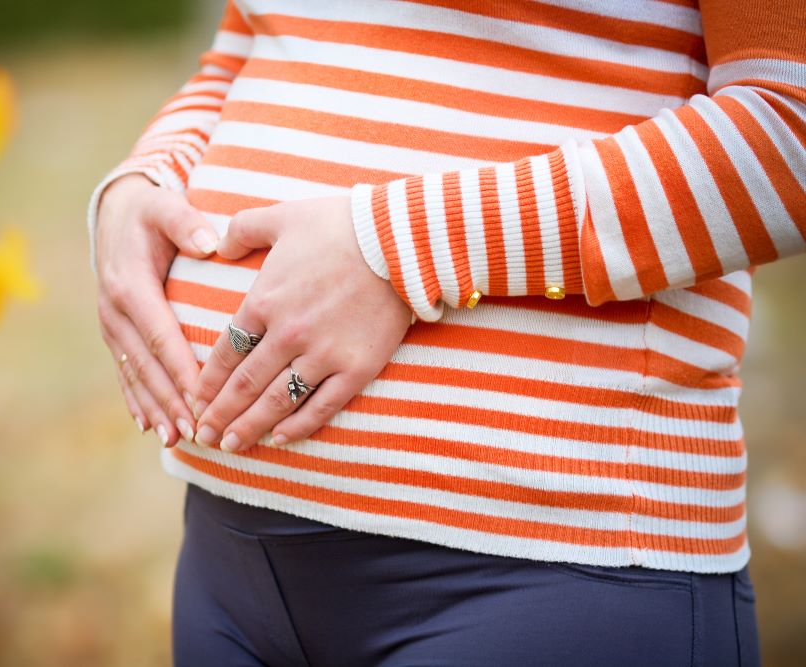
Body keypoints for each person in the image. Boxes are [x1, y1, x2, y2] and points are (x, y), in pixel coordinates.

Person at [87, 1, 803, 664]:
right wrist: (146, 180)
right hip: (228, 563)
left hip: (550, 576)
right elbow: (250, 42)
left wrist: (401, 249)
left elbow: (788, 124)